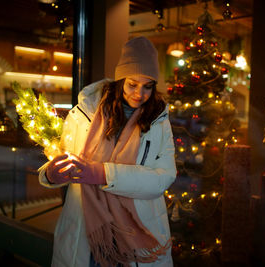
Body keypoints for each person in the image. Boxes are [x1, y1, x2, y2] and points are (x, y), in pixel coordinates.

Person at [39, 36, 176, 267]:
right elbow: (62, 156)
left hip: (136, 233)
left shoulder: (159, 121)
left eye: (148, 86)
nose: (139, 94)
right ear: (120, 78)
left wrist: (103, 174)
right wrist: (50, 175)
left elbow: (164, 176)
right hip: (85, 231)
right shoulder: (85, 113)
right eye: (132, 84)